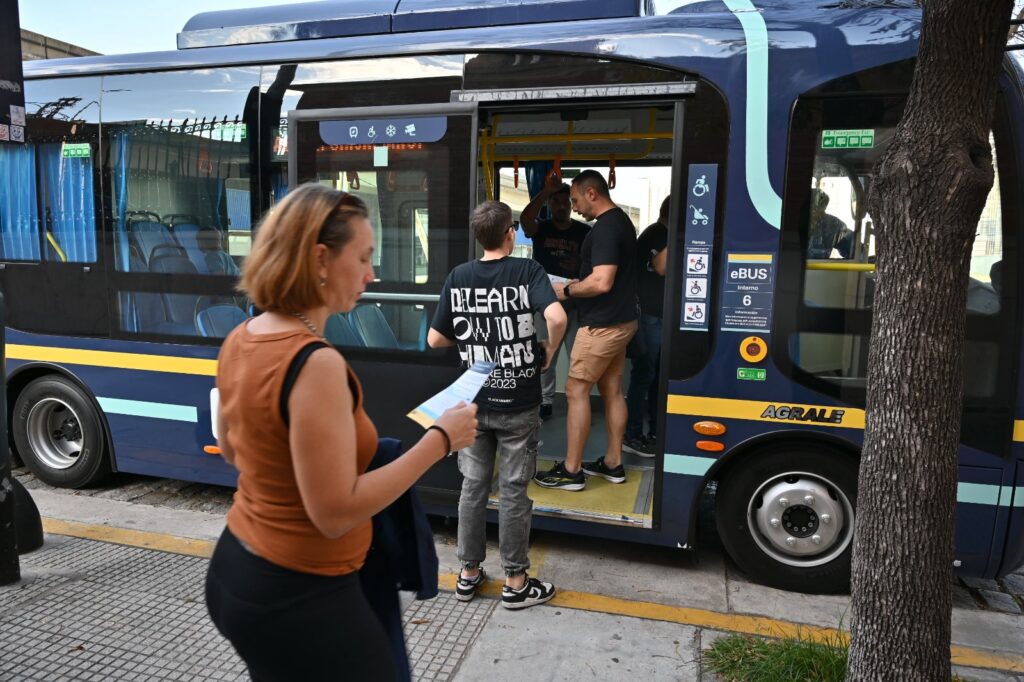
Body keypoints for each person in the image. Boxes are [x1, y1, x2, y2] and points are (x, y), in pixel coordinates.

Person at [205, 183, 478, 682]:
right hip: (300, 592)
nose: (373, 274)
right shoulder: (315, 363)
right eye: (365, 257)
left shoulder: (241, 337)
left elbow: (229, 446)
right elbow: (333, 513)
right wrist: (440, 440)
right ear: (320, 259)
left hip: (238, 569)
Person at [428, 200, 566, 610]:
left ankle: (468, 574)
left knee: (472, 486)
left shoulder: (459, 276)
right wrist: (549, 352)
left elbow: (436, 340)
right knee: (513, 491)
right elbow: (556, 318)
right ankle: (516, 581)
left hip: (473, 399)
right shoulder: (527, 271)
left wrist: (476, 340)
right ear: (510, 233)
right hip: (519, 403)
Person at [534, 170, 638, 491]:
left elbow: (601, 281)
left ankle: (572, 470)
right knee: (612, 389)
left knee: (576, 390)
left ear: (591, 193)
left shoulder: (606, 228)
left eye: (576, 199)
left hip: (601, 326)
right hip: (622, 321)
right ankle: (613, 462)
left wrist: (565, 291)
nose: (575, 207)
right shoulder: (622, 222)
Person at [519, 173, 591, 419]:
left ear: (571, 206)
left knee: (579, 356)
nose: (561, 206)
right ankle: (545, 400)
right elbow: (525, 219)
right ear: (551, 205)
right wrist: (545, 192)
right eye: (556, 202)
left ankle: (578, 400)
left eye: (565, 202)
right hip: (545, 304)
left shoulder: (584, 231)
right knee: (545, 354)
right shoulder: (542, 228)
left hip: (577, 303)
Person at [624, 196, 670, 458]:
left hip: (659, 315)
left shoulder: (660, 233)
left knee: (656, 378)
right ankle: (632, 434)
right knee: (644, 375)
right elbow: (661, 267)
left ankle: (654, 430)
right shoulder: (656, 233)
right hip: (648, 316)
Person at [807, 188, 854, 259]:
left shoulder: (833, 224)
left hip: (819, 269)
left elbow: (854, 250)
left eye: (818, 207)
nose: (814, 211)